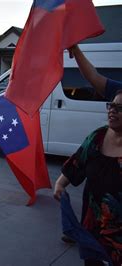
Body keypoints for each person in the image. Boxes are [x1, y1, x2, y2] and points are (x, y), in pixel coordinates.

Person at [53, 90, 122, 266]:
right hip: (91, 230)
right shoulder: (97, 137)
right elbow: (77, 161)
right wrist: (60, 184)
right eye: (111, 106)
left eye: (120, 108)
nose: (112, 111)